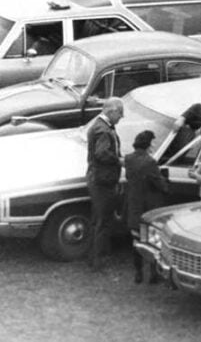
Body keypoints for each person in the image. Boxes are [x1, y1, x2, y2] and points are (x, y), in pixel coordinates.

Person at [124, 129, 167, 283]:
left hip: (134, 205)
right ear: (148, 143)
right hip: (149, 206)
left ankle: (138, 273)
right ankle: (154, 274)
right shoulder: (150, 162)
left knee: (136, 241)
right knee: (153, 241)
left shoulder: (128, 159)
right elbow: (160, 185)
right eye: (153, 141)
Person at [86, 95, 123, 270]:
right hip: (103, 180)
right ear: (113, 110)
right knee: (103, 221)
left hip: (96, 178)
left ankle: (94, 255)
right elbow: (102, 153)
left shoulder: (98, 126)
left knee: (97, 219)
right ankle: (98, 260)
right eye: (120, 113)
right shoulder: (104, 130)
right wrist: (118, 160)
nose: (121, 117)